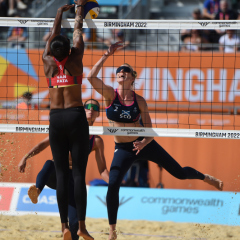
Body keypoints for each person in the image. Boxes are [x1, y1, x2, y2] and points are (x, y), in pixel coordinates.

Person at [87, 42, 224, 240]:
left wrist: (144, 142)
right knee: (113, 183)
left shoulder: (139, 101)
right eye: (119, 71)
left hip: (144, 143)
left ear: (132, 77)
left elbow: (150, 130)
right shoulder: (110, 94)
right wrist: (107, 55)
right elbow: (90, 77)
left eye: (126, 70)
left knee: (179, 173)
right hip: (124, 148)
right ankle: (112, 231)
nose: (121, 72)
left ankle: (206, 178)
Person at [18, 99, 109, 240]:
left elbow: (102, 169)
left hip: (74, 182)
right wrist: (25, 157)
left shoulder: (96, 140)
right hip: (57, 175)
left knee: (74, 225)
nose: (91, 109)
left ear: (98, 114)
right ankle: (37, 190)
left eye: (95, 107)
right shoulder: (66, 129)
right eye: (88, 107)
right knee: (49, 164)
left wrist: (114, 182)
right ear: (81, 110)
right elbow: (42, 145)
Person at [42, 1, 93, 239]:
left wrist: (58, 13)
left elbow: (54, 37)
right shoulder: (76, 58)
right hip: (75, 116)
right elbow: (78, 31)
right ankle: (81, 227)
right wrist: (78, 11)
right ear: (69, 50)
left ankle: (64, 226)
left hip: (55, 118)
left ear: (52, 51)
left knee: (61, 173)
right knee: (78, 174)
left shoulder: (47, 61)